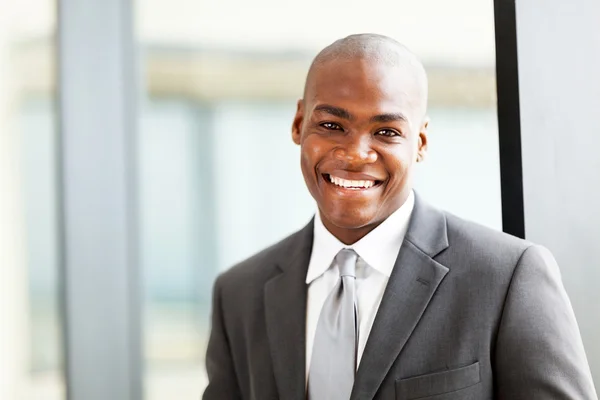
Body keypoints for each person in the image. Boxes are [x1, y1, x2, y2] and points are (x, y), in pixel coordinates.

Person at [202, 34, 598, 400]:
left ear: (420, 142)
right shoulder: (239, 294)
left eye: (387, 132)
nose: (356, 154)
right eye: (330, 125)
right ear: (298, 124)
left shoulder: (507, 277)